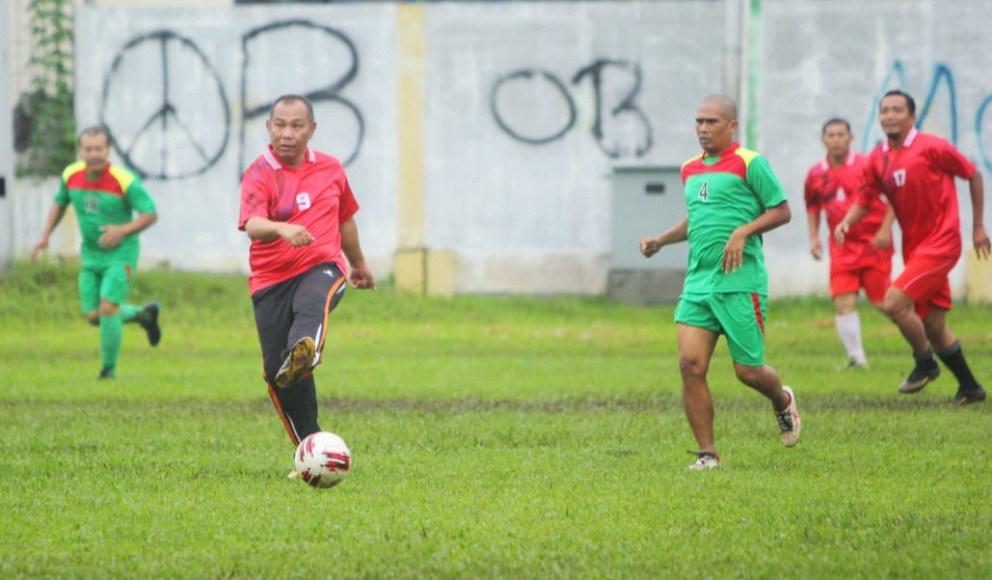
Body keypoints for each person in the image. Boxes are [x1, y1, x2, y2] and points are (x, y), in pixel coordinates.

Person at [639, 94, 800, 470]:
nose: (703, 129)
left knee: (748, 372)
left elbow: (782, 210)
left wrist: (744, 230)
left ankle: (782, 400)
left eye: (711, 122)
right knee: (690, 365)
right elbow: (696, 219)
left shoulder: (751, 163)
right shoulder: (690, 169)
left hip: (740, 282)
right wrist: (661, 240)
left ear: (732, 126)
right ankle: (707, 454)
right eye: (698, 122)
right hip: (699, 284)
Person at [238, 94, 376, 467]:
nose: (287, 133)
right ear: (268, 128)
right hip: (270, 281)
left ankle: (307, 349)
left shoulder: (331, 170)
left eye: (297, 125)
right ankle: (312, 451)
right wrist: (282, 229)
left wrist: (358, 263)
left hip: (323, 266)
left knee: (312, 302)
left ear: (311, 130)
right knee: (277, 373)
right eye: (280, 124)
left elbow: (345, 218)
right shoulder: (258, 174)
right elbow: (252, 225)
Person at [835, 89, 989, 406]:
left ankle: (925, 363)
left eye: (897, 109)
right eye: (885, 110)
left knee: (893, 303)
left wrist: (977, 226)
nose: (890, 115)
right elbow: (865, 198)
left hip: (942, 243)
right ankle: (971, 389)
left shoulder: (932, 146)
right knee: (933, 324)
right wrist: (847, 222)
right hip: (915, 248)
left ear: (911, 116)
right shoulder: (878, 158)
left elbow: (972, 174)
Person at [31, 125, 162, 380]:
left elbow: (150, 214)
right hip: (91, 255)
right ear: (80, 150)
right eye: (88, 149)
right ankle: (144, 316)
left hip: (120, 254)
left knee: (108, 308)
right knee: (93, 316)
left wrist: (122, 230)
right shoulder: (71, 175)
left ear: (108, 150)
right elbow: (60, 203)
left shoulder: (124, 181)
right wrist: (45, 236)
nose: (93, 154)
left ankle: (107, 371)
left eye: (98, 149)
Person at [804, 118, 895, 369]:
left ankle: (923, 342)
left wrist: (886, 230)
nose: (835, 140)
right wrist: (814, 237)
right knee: (843, 301)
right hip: (842, 247)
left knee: (886, 304)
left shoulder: (867, 165)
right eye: (830, 135)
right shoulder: (815, 173)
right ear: (823, 139)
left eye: (840, 135)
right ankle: (857, 359)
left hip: (874, 244)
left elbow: (893, 197)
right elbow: (812, 205)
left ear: (850, 138)